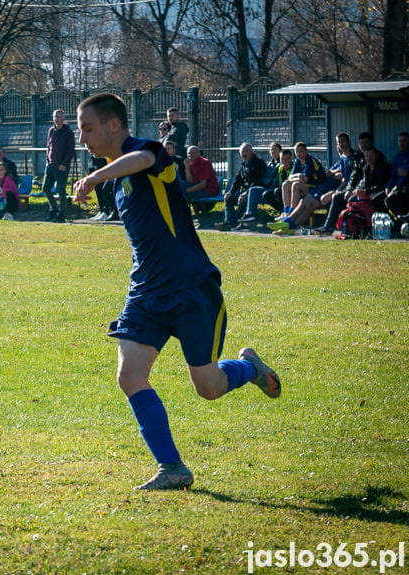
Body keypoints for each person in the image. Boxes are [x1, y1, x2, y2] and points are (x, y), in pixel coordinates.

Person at [72, 93, 280, 491]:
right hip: (146, 292)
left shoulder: (147, 154)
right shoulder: (118, 180)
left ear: (114, 125)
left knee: (209, 388)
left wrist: (97, 176)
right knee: (129, 375)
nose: (83, 138)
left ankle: (250, 367)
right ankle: (172, 467)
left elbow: (147, 158)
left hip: (191, 287)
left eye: (88, 128)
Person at [314, 146, 391, 235]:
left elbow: (382, 185)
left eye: (371, 156)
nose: (369, 159)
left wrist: (366, 192)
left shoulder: (383, 167)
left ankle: (354, 227)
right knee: (337, 197)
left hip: (376, 194)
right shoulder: (366, 167)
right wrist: (355, 190)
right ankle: (328, 227)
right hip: (365, 192)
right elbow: (363, 182)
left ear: (376, 156)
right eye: (367, 157)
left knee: (352, 200)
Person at [268, 143, 339, 234]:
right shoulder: (297, 161)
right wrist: (298, 175)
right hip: (309, 187)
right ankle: (286, 213)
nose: (298, 154)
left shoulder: (310, 160)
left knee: (296, 185)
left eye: (301, 151)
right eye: (296, 151)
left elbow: (305, 179)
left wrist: (298, 177)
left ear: (306, 151)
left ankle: (290, 217)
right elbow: (291, 178)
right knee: (285, 184)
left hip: (317, 186)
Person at [214, 143, 267, 230]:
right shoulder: (243, 164)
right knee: (229, 199)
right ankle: (228, 222)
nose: (244, 154)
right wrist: (230, 192)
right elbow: (237, 181)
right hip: (247, 191)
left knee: (242, 199)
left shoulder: (258, 162)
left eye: (246, 151)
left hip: (257, 191)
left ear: (252, 152)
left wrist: (246, 193)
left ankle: (237, 223)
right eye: (242, 152)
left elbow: (257, 180)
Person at [42, 109, 76, 223]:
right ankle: (53, 210)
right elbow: (48, 147)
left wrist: (64, 164)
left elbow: (71, 150)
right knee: (45, 188)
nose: (56, 119)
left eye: (58, 117)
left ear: (63, 118)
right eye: (54, 117)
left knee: (61, 191)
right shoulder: (51, 130)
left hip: (61, 167)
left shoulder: (68, 132)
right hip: (50, 165)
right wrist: (47, 161)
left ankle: (62, 214)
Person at [182, 146, 220, 214]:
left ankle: (186, 213)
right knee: (181, 184)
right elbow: (189, 181)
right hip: (198, 187)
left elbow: (203, 185)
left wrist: (186, 191)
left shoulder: (204, 163)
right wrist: (187, 167)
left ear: (199, 153)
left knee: (184, 193)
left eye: (193, 153)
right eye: (188, 153)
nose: (190, 155)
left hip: (209, 190)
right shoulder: (190, 163)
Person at [262, 149, 294, 213]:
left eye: (286, 159)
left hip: (293, 190)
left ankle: (287, 212)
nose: (284, 161)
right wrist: (282, 172)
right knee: (266, 194)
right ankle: (281, 211)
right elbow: (280, 182)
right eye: (282, 159)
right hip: (283, 189)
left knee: (278, 191)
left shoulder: (295, 166)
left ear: (291, 158)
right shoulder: (280, 167)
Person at [88, 156, 118, 222]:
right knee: (104, 190)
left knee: (106, 190)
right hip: (111, 170)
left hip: (114, 172)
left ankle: (110, 211)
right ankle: (105, 211)